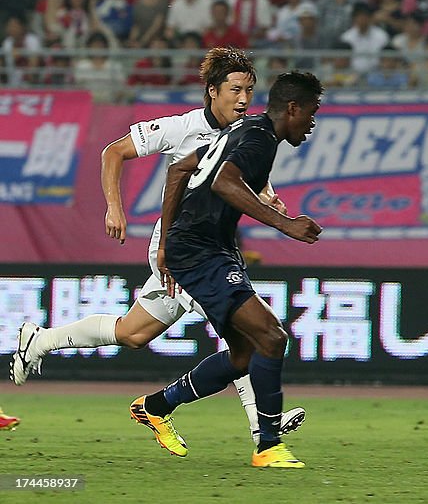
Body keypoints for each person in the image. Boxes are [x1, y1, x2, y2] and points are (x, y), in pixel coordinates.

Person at [10, 47, 306, 448]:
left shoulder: (247, 132)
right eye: (235, 89)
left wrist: (269, 197)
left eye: (249, 90)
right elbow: (112, 152)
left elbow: (238, 176)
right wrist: (115, 208)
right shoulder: (181, 128)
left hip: (208, 248)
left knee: (133, 333)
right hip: (180, 249)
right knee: (247, 329)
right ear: (212, 90)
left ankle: (40, 339)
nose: (243, 99)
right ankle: (262, 427)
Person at [136, 70, 323, 468]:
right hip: (202, 252)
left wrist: (167, 240)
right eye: (311, 112)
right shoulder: (259, 138)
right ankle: (268, 445)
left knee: (242, 356)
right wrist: (286, 224)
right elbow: (223, 183)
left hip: (206, 249)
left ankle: (156, 406)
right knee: (271, 337)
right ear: (292, 108)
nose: (311, 124)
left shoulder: (245, 128)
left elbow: (178, 170)